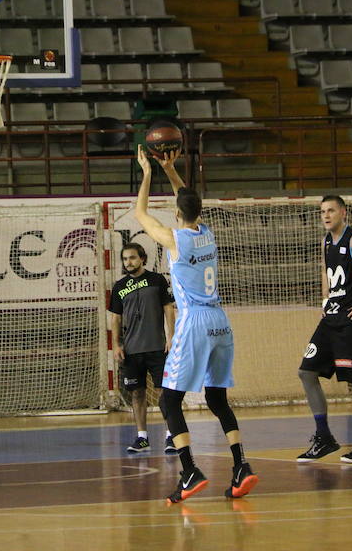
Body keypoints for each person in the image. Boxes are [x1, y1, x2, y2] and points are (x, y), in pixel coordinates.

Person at [134, 146, 258, 504]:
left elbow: (140, 212)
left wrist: (147, 173)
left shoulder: (175, 240)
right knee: (218, 399)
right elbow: (188, 199)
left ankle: (189, 471)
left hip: (195, 321)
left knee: (169, 401)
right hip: (221, 320)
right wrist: (171, 171)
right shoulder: (207, 233)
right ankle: (241, 467)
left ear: (176, 213)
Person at [297, 195, 352, 463]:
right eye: (322, 211)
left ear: (343, 213)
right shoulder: (326, 241)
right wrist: (325, 300)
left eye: (331, 211)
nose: (326, 215)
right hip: (332, 318)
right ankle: (324, 437)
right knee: (306, 372)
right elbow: (326, 271)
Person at [108, 242, 177, 454]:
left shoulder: (157, 280)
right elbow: (116, 318)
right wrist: (117, 345)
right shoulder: (119, 287)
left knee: (164, 392)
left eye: (132, 258)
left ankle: (171, 436)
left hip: (158, 347)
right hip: (131, 350)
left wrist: (171, 336)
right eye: (125, 259)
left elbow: (168, 308)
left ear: (142, 259)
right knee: (137, 394)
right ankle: (142, 438)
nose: (129, 262)